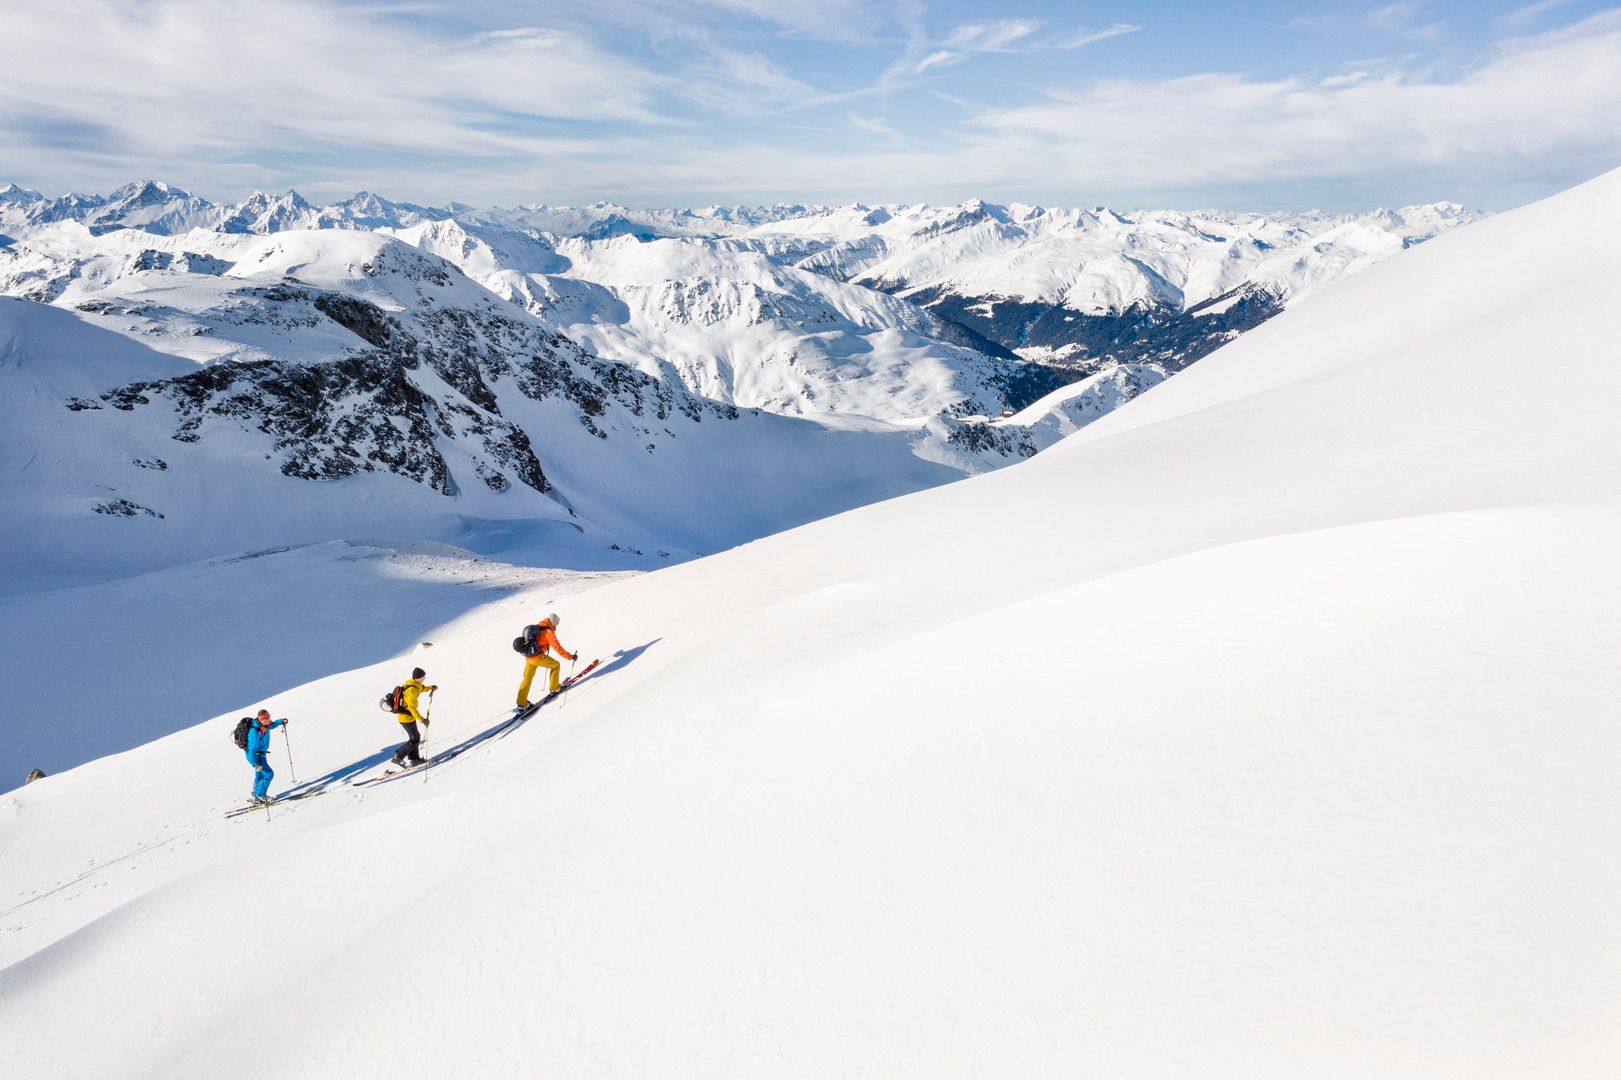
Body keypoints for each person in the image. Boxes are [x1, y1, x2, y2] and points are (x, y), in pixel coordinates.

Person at [516, 613, 576, 708]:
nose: (556, 626)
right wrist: (570, 657)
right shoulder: (548, 632)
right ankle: (555, 688)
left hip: (528, 658)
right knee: (556, 665)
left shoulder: (538, 626)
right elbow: (558, 648)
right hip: (537, 657)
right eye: (556, 624)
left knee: (527, 678)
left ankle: (521, 703)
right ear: (553, 623)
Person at [391, 667, 437, 769]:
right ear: (417, 678)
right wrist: (422, 720)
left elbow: (421, 688)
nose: (424, 678)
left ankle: (414, 758)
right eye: (423, 677)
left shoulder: (415, 684)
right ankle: (398, 756)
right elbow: (412, 708)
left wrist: (431, 688)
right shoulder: (411, 690)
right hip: (405, 718)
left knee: (415, 737)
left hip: (410, 717)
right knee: (415, 739)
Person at [245, 709, 288, 804]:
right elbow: (250, 752)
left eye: (269, 717)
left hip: (262, 754)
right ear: (262, 719)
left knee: (259, 775)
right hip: (256, 757)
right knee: (269, 774)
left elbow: (273, 725)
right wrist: (255, 764)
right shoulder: (254, 732)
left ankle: (254, 794)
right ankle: (260, 795)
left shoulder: (265, 725)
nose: (270, 719)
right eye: (267, 718)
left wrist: (281, 721)